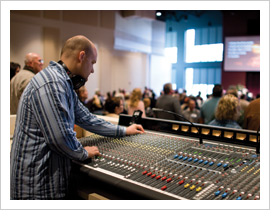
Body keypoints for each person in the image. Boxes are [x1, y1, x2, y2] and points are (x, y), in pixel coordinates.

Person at [10, 35, 144, 200]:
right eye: (92, 63)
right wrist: (81, 152)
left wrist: (124, 130)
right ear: (81, 56)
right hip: (35, 187)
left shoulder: (61, 82)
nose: (93, 70)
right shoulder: (52, 84)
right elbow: (60, 138)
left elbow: (86, 118)